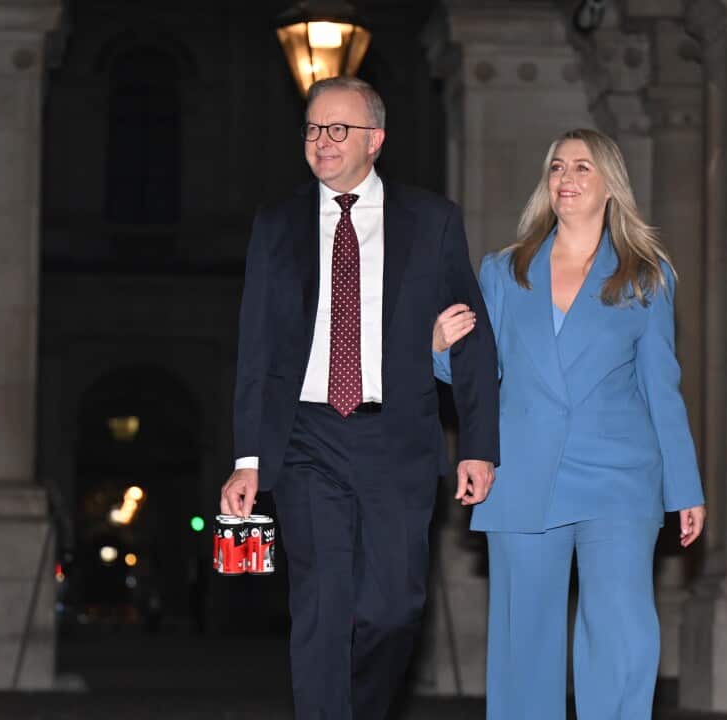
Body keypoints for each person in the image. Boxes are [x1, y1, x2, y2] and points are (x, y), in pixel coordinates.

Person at [219, 76, 500, 720]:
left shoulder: (432, 220)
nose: (323, 141)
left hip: (396, 438)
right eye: (314, 128)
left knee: (393, 610)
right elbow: (256, 349)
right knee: (321, 603)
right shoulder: (277, 225)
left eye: (338, 129)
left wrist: (480, 447)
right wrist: (248, 459)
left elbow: (472, 339)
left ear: (375, 139)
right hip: (306, 437)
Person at [431, 128, 706, 720]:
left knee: (622, 631)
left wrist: (684, 488)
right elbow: (481, 372)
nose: (567, 179)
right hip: (524, 470)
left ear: (610, 184)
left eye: (582, 167)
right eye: (557, 167)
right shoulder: (505, 271)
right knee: (522, 639)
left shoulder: (646, 274)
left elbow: (663, 390)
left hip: (618, 476)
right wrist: (437, 349)